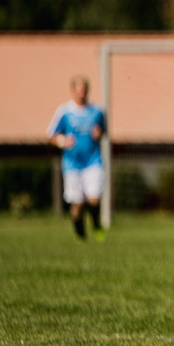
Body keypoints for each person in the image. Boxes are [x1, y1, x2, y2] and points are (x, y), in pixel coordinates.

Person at [46, 76, 108, 242]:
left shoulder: (97, 111)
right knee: (77, 203)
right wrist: (63, 141)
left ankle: (96, 225)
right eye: (79, 90)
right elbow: (51, 135)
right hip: (72, 163)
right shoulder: (65, 111)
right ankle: (81, 235)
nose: (82, 93)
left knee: (94, 198)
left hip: (93, 161)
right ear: (73, 91)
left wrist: (99, 133)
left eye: (84, 90)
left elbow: (104, 130)